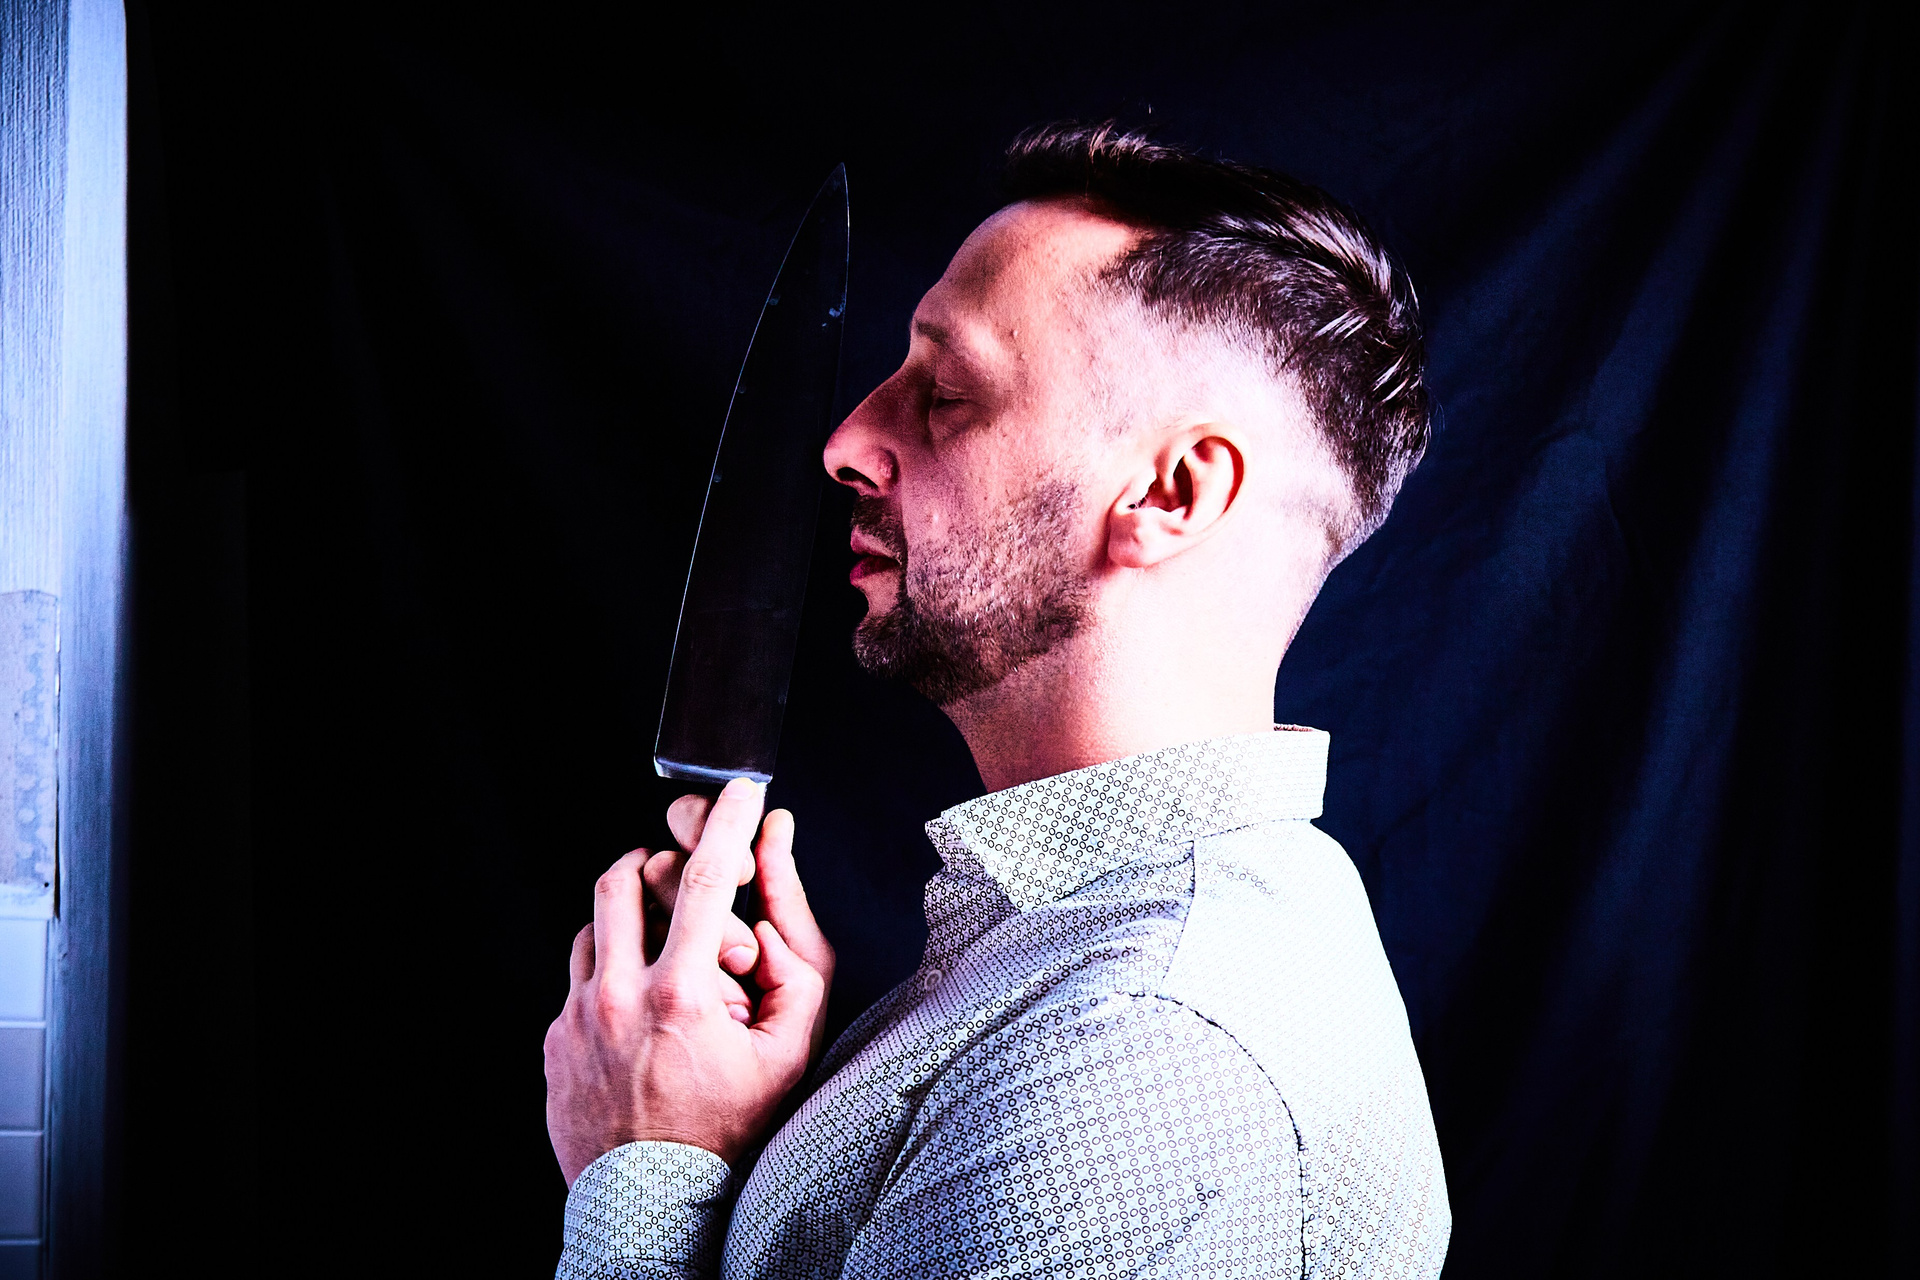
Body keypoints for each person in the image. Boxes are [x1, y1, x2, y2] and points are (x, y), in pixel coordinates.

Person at [544, 122, 1450, 1278]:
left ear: (1171, 492)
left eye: (947, 391)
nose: (847, 441)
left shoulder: (1151, 1063)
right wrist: (753, 1134)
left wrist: (647, 1167)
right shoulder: (1072, 956)